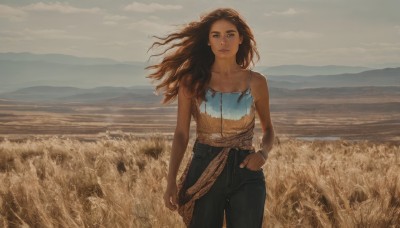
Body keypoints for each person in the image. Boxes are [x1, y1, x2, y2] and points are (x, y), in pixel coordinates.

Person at [147, 8, 274, 228]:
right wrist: (171, 182)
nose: (223, 41)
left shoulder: (256, 82)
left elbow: (269, 129)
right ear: (208, 41)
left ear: (240, 38)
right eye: (216, 35)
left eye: (230, 34)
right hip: (203, 166)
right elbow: (181, 133)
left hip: (246, 171)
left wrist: (262, 154)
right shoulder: (191, 81)